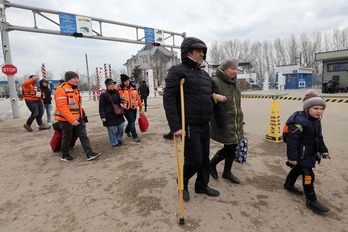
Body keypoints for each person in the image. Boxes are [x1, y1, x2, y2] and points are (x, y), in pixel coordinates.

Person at [163, 37, 227, 201]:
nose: (202, 53)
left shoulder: (205, 75)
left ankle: (201, 185)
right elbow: (169, 99)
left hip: (204, 122)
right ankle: (182, 183)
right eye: (198, 50)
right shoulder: (177, 71)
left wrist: (215, 96)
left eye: (203, 51)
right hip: (188, 124)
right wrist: (175, 126)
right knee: (195, 159)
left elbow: (210, 94)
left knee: (204, 157)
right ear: (188, 52)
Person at [284, 89, 330, 214]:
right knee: (309, 176)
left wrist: (324, 151)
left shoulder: (315, 121)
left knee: (298, 169)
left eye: (321, 109)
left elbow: (318, 137)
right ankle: (311, 200)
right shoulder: (299, 122)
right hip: (301, 154)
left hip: (309, 153)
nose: (319, 111)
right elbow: (292, 141)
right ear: (307, 108)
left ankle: (288, 184)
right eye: (316, 108)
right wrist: (292, 158)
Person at [210, 58, 244, 184]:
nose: (235, 71)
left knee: (233, 146)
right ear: (224, 69)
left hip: (236, 120)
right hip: (224, 120)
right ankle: (212, 165)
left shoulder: (235, 82)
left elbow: (237, 103)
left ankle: (227, 172)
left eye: (236, 68)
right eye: (232, 68)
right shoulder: (215, 81)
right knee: (230, 146)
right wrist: (214, 97)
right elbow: (206, 97)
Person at [54, 71, 101, 162]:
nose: (77, 80)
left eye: (77, 78)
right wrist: (72, 120)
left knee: (83, 135)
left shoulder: (75, 89)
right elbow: (62, 108)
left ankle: (89, 153)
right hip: (65, 120)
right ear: (68, 79)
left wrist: (82, 116)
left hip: (78, 119)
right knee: (67, 137)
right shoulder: (61, 90)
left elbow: (78, 105)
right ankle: (65, 155)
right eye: (74, 78)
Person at [116, 74, 143, 142]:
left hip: (134, 107)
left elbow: (138, 97)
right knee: (131, 121)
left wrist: (140, 106)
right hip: (125, 108)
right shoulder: (119, 88)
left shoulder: (134, 87)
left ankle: (127, 130)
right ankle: (135, 136)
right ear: (123, 82)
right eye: (125, 81)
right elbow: (115, 97)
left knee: (132, 121)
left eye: (128, 80)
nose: (127, 82)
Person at [99, 78, 125, 147]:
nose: (112, 86)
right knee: (112, 130)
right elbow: (101, 106)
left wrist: (120, 104)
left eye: (113, 84)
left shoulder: (116, 92)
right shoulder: (103, 95)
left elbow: (119, 101)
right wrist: (103, 116)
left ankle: (118, 138)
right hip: (109, 114)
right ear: (107, 86)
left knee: (121, 126)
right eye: (110, 84)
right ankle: (114, 142)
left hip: (118, 113)